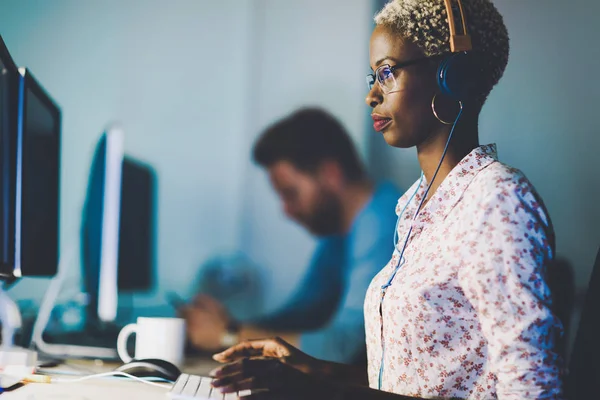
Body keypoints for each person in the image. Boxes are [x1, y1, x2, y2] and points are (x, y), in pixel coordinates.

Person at [208, 0, 564, 399]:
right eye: (372, 77)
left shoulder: (496, 200)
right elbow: (402, 383)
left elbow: (534, 390)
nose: (371, 96)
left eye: (388, 72)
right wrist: (311, 371)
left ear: (451, 77)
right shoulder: (416, 207)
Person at [183, 108, 401, 365]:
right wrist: (226, 326)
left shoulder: (384, 221)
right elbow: (300, 313)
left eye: (290, 193)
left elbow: (345, 346)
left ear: (330, 174)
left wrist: (229, 335)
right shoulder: (339, 234)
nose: (286, 211)